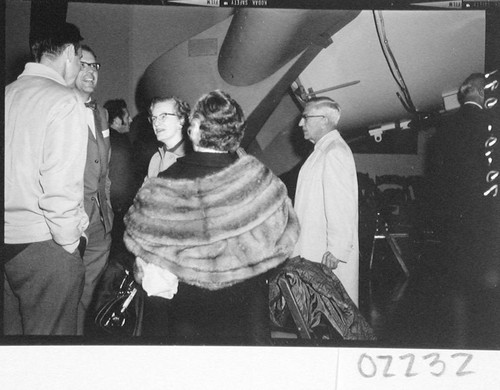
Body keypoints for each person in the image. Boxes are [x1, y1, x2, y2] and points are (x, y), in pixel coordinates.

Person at [124, 90, 300, 344]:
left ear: (193, 131)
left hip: (187, 317)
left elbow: (144, 251)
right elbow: (284, 243)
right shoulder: (262, 181)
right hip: (247, 314)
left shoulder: (166, 182)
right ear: (236, 133)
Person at [4, 23, 88, 335]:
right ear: (69, 52)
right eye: (80, 59)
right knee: (51, 358)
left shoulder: (8, 93)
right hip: (43, 247)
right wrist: (71, 244)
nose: (79, 67)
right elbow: (60, 189)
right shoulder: (64, 100)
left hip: (8, 244)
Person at [430, 73, 499, 288]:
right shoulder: (490, 122)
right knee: (484, 254)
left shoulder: (445, 123)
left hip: (452, 201)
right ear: (481, 92)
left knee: (459, 254)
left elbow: (437, 168)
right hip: (483, 199)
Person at [292, 97, 360, 306]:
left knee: (336, 316)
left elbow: (341, 205)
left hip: (326, 255)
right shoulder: (322, 151)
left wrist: (337, 249)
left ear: (324, 120)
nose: (300, 123)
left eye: (305, 117)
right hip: (315, 250)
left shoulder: (334, 152)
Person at [74, 44, 114, 334]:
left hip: (101, 221)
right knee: (67, 297)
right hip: (72, 220)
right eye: (83, 64)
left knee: (89, 297)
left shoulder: (101, 113)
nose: (90, 71)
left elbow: (106, 168)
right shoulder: (61, 109)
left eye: (94, 66)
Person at [146, 96, 191, 178]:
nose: (156, 123)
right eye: (154, 118)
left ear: (181, 120)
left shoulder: (191, 160)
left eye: (163, 116)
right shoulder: (156, 158)